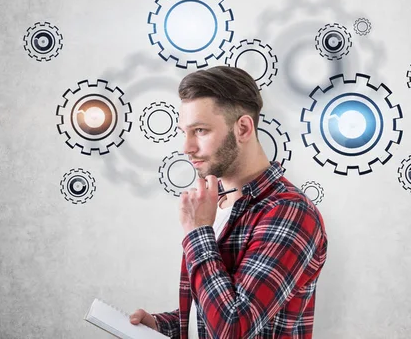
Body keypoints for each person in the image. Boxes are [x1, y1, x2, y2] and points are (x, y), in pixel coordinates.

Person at [129, 66, 328, 338]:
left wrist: (199, 231)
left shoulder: (289, 212)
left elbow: (233, 327)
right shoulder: (216, 204)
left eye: (200, 130)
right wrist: (163, 326)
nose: (186, 147)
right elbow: (211, 312)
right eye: (184, 132)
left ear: (243, 128)